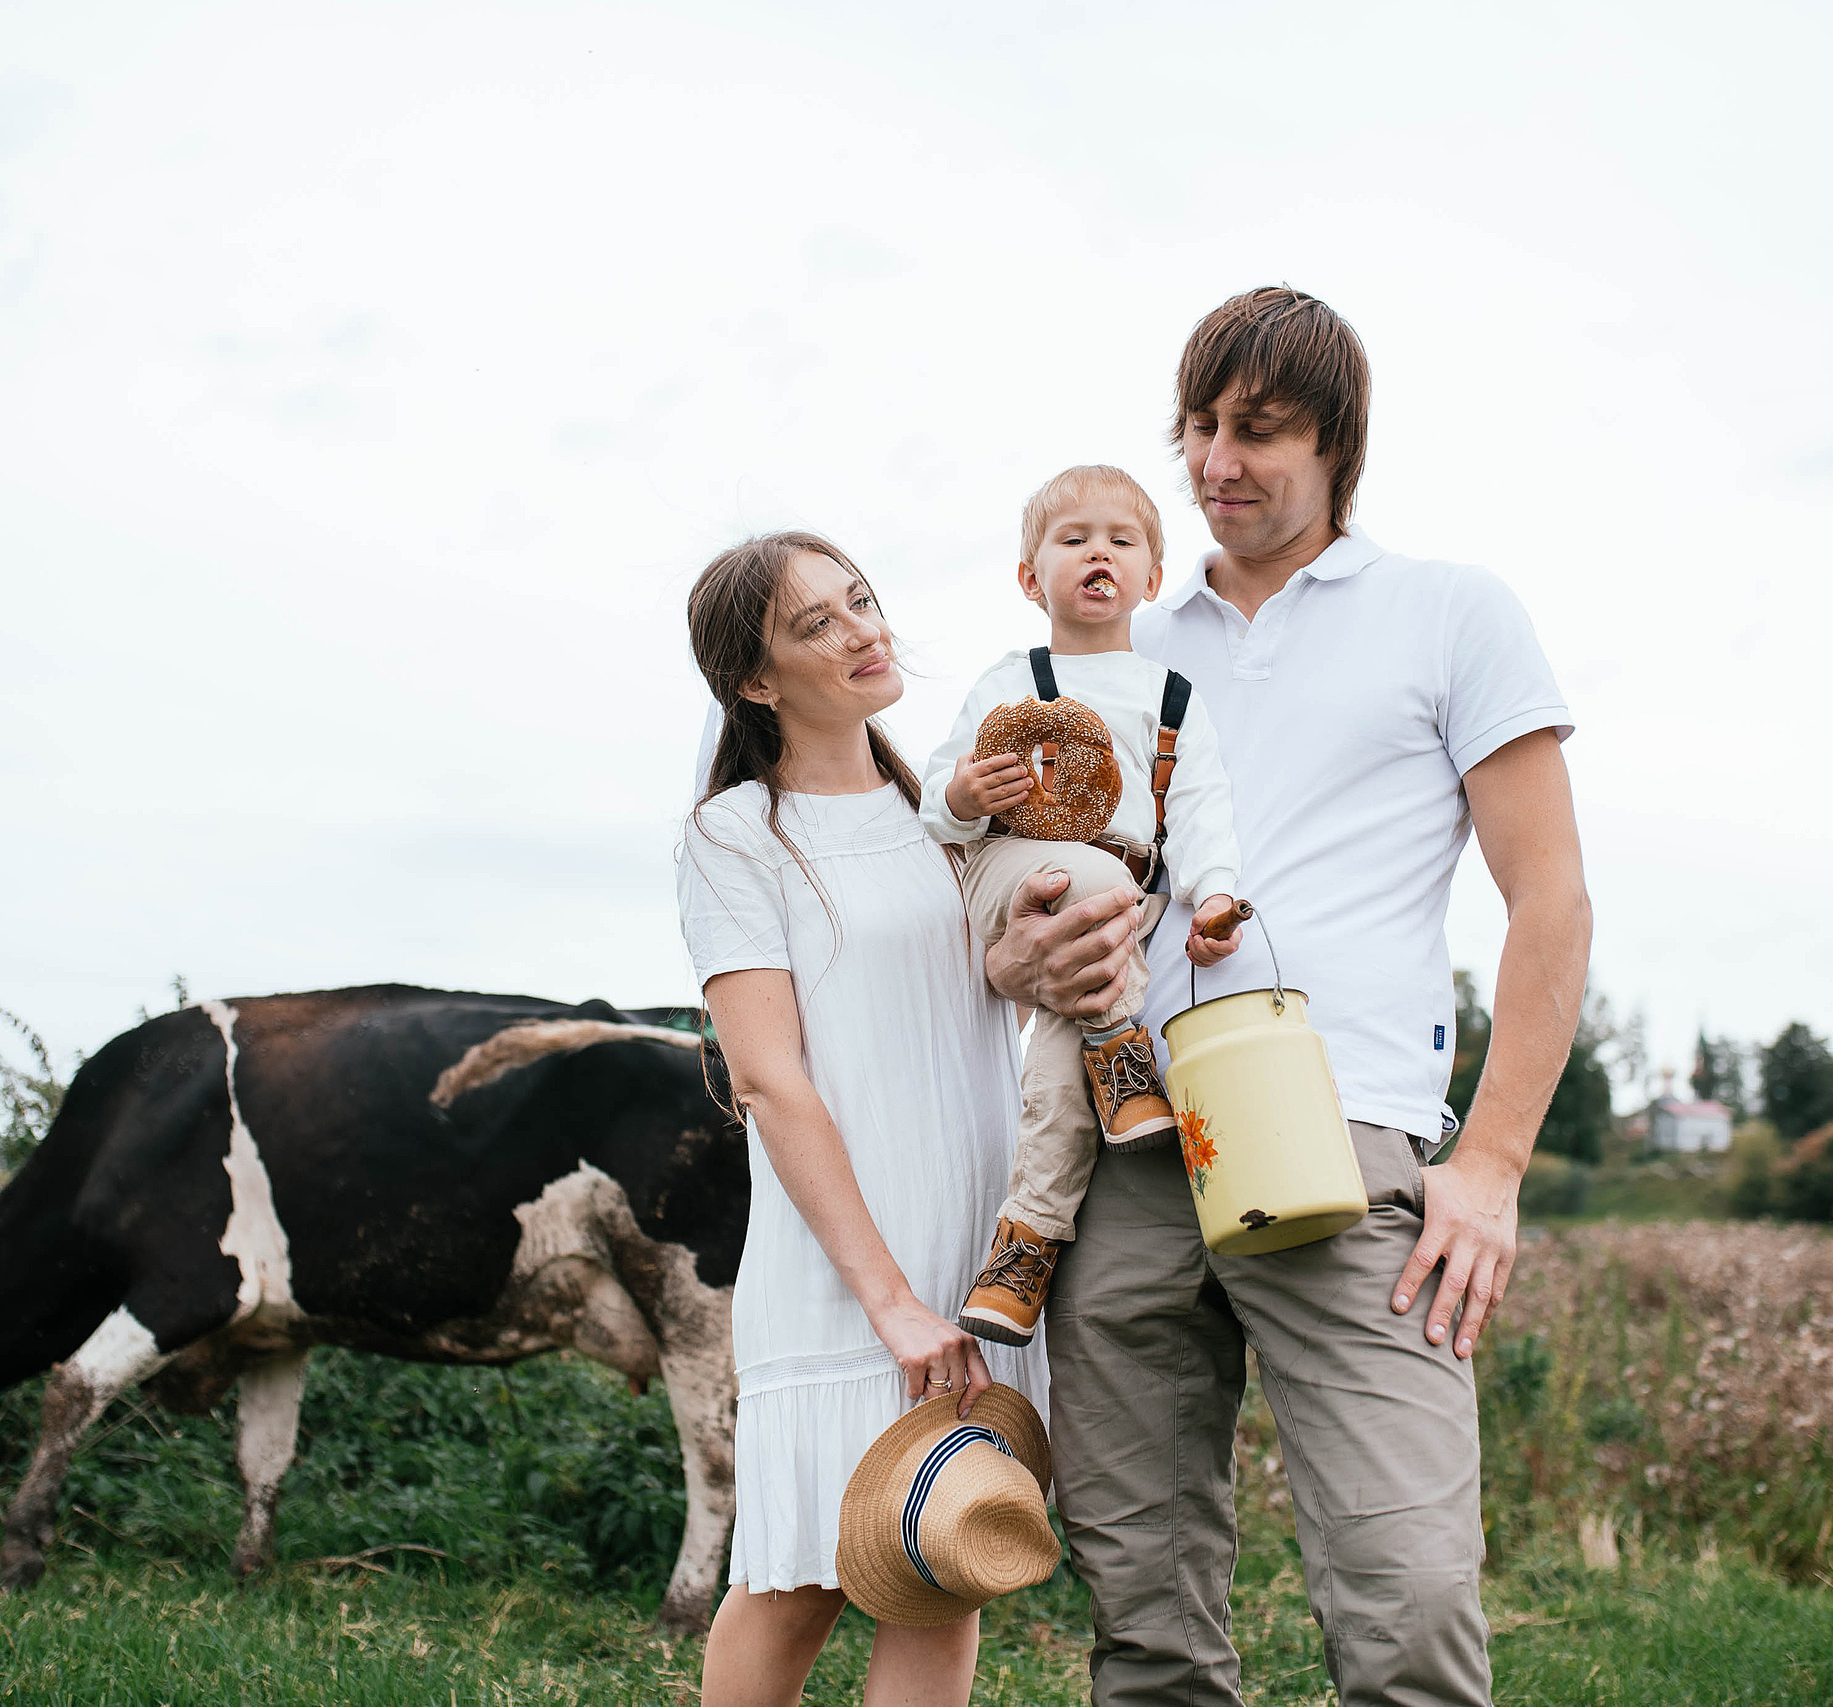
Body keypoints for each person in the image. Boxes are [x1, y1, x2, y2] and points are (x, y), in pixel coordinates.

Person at [986, 287, 1592, 1705]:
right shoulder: (1116, 639)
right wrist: (1020, 958)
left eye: (1257, 430)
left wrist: (1491, 1162)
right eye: (1197, 427)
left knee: (1410, 1598)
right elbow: (1009, 891)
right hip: (1124, 1144)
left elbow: (1551, 899)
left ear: (1339, 444)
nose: (1214, 462)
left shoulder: (1450, 612)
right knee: (1144, 1611)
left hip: (1351, 1133)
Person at [675, 531, 1048, 1707]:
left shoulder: (953, 815)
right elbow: (771, 1081)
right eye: (817, 624)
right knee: (796, 1589)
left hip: (977, 1256)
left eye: (862, 602)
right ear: (755, 680)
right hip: (847, 1269)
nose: (863, 630)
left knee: (939, 1569)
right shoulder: (737, 834)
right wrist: (888, 1299)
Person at [917, 464, 1246, 1349]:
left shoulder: (1173, 697)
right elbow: (934, 812)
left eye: (1121, 539)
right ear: (1033, 579)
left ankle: (1022, 1251)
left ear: (1149, 574)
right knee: (1096, 895)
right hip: (1017, 873)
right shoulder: (1009, 681)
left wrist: (1212, 899)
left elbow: (1204, 815)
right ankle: (1120, 1046)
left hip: (1119, 902)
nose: (1097, 552)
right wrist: (966, 789)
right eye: (1072, 540)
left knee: (1057, 1053)